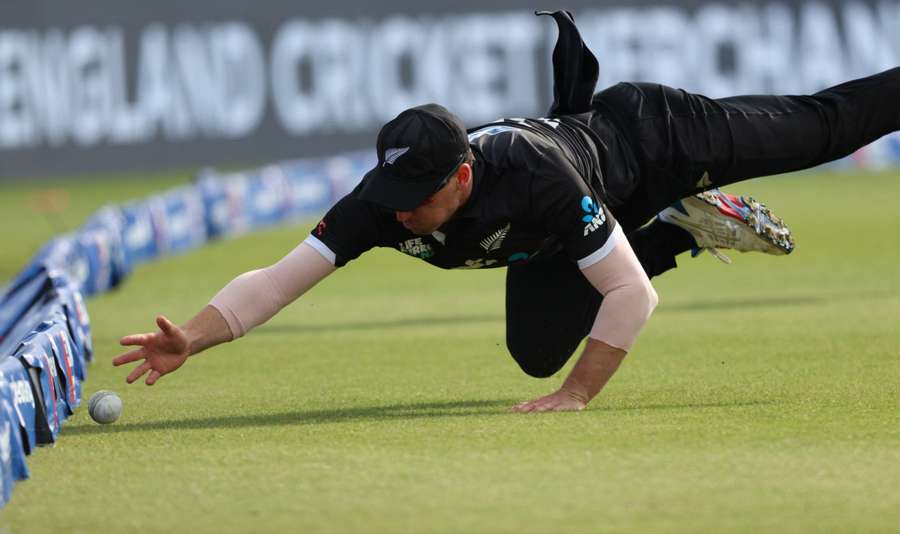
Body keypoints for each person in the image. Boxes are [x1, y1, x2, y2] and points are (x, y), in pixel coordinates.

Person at [113, 11, 898, 412]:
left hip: (658, 140)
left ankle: (678, 202)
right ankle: (681, 227)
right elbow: (278, 281)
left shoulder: (534, 176)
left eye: (419, 200)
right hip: (575, 223)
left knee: (823, 127)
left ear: (462, 175)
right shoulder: (383, 204)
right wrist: (198, 336)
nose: (402, 216)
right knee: (534, 353)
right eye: (393, 198)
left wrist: (578, 397)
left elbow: (633, 298)